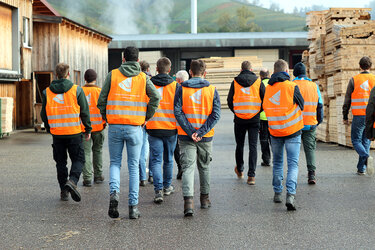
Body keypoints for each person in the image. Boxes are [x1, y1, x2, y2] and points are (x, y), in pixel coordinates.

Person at [97, 46, 160, 219]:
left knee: (115, 163)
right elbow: (156, 97)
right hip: (135, 128)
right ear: (138, 60)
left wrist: (107, 117)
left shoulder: (113, 75)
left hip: (115, 126)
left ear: (123, 59)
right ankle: (133, 208)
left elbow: (101, 99)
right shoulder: (143, 77)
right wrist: (146, 116)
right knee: (133, 167)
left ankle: (115, 193)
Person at [174, 59, 221, 217]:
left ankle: (188, 204)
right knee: (204, 167)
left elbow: (178, 111)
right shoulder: (212, 90)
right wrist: (200, 132)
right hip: (205, 137)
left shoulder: (181, 89)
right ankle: (205, 199)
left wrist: (189, 131)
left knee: (188, 168)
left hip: (185, 136)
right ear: (205, 73)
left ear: (190, 72)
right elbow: (216, 115)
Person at [41, 63, 91, 202]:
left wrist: (49, 128)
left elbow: (44, 114)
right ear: (68, 74)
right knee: (79, 159)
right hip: (74, 132)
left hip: (57, 134)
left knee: (60, 163)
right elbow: (84, 112)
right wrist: (87, 129)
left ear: (56, 74)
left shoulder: (47, 92)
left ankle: (64, 191)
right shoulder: (77, 90)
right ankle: (73, 181)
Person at [263, 59, 304, 211]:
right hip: (293, 131)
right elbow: (302, 104)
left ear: (274, 72)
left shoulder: (268, 89)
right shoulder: (292, 86)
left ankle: (277, 193)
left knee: (278, 163)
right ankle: (291, 195)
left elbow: (265, 107)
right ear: (287, 72)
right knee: (293, 164)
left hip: (275, 131)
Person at [227, 61, 265, 185]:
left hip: (239, 119)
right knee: (253, 146)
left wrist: (237, 111)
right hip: (254, 118)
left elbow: (229, 100)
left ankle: (240, 170)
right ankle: (251, 176)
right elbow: (265, 99)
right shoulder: (258, 81)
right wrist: (258, 111)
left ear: (241, 69)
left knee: (240, 145)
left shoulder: (235, 82)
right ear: (251, 69)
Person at [146, 57, 178, 203]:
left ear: (156, 69)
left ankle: (158, 190)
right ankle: (167, 186)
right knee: (168, 159)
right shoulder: (176, 86)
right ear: (169, 70)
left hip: (153, 127)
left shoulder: (149, 84)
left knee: (156, 159)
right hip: (171, 128)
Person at [343, 56, 375, 175]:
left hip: (359, 115)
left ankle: (366, 158)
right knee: (365, 141)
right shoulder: (374, 79)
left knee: (356, 140)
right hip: (371, 116)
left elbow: (347, 100)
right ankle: (361, 168)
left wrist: (345, 116)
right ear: (370, 66)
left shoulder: (354, 80)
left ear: (359, 66)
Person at [293, 62, 323, 184]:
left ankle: (293, 174)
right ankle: (311, 174)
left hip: (295, 124)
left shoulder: (292, 85)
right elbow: (320, 105)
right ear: (305, 73)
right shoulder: (313, 86)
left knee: (294, 149)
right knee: (309, 149)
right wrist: (318, 121)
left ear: (294, 73)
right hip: (310, 123)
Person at [81, 69, 106, 187]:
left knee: (85, 152)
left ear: (85, 79)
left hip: (83, 128)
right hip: (99, 127)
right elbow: (105, 108)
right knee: (98, 150)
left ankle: (87, 178)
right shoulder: (100, 91)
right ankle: (98, 175)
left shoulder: (79, 91)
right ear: (95, 79)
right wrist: (104, 122)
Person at [139, 60, 153, 185]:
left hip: (139, 117)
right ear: (148, 69)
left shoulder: (137, 80)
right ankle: (152, 174)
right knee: (153, 147)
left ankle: (142, 176)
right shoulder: (152, 80)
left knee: (141, 148)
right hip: (151, 117)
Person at [174, 70, 189, 180]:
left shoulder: (177, 89)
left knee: (177, 147)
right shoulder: (192, 89)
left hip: (177, 124)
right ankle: (187, 168)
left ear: (178, 80)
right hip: (191, 124)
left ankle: (181, 167)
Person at [259, 68, 272, 167]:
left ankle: (266, 160)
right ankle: (277, 158)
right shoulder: (273, 84)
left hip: (262, 117)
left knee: (264, 140)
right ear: (269, 74)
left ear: (261, 76)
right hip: (273, 117)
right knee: (274, 140)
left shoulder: (259, 85)